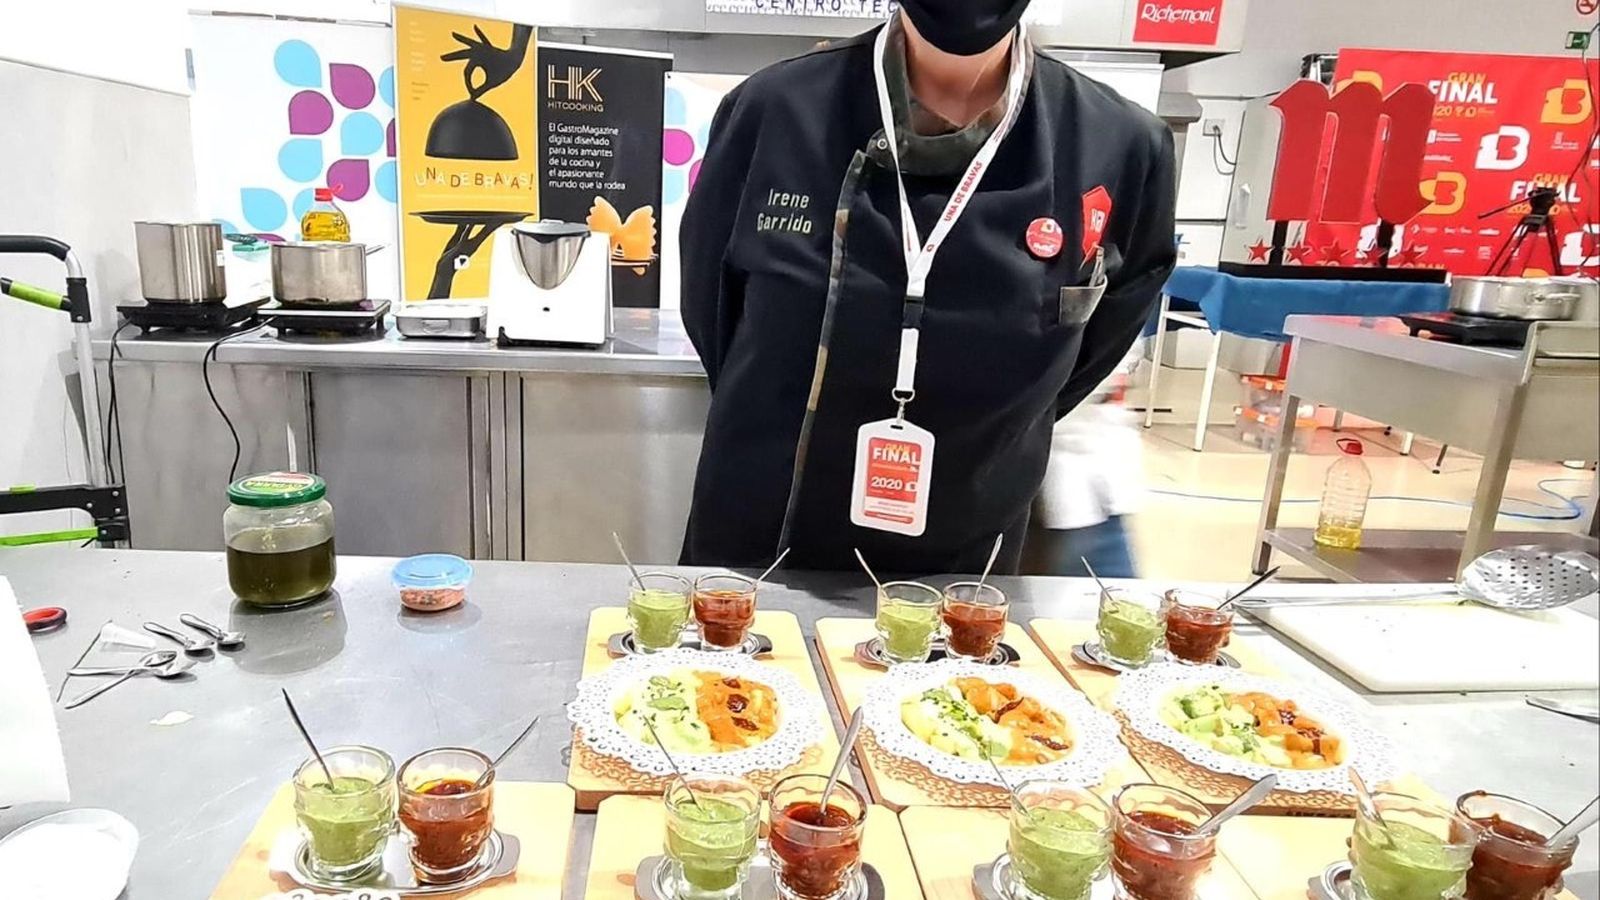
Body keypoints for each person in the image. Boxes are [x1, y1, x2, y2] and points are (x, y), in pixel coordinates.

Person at [678, 0, 1176, 574]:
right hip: (756, 548)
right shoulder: (773, 111)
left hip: (964, 572)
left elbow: (1091, 352)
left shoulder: (1119, 147)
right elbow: (712, 309)